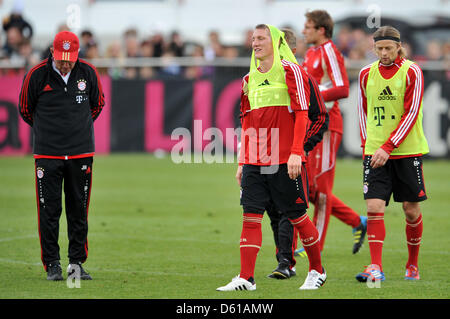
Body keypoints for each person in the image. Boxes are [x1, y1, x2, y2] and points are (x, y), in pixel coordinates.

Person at [216, 24, 326, 291]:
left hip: (284, 160)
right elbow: (247, 122)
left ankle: (317, 271)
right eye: (253, 38)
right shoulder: (248, 79)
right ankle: (246, 277)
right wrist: (242, 161)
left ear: (276, 42)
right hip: (255, 161)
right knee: (250, 217)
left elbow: (302, 114)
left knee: (298, 216)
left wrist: (296, 153)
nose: (255, 43)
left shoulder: (291, 71)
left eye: (261, 38)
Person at [18, 31, 105, 281]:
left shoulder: (88, 72)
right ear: (52, 53)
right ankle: (52, 264)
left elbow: (97, 104)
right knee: (49, 210)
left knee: (78, 210)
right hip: (48, 155)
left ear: (77, 55)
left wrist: (77, 129)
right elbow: (25, 109)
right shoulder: (36, 75)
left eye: (70, 58)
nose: (65, 63)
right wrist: (50, 132)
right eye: (61, 58)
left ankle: (76, 263)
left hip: (81, 153)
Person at [355, 26, 428, 282]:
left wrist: (389, 146)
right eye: (379, 48)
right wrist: (369, 146)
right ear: (373, 48)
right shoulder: (366, 74)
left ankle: (412, 264)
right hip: (375, 153)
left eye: (388, 48)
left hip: (406, 152)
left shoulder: (412, 71)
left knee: (410, 210)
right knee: (374, 207)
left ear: (398, 47)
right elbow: (363, 111)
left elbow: (411, 113)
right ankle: (375, 266)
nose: (383, 53)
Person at [295, 10, 367, 258]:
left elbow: (343, 88)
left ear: (321, 30)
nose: (303, 30)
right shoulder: (312, 53)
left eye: (308, 26)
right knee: (308, 189)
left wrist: (312, 100)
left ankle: (315, 247)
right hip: (313, 125)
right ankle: (357, 221)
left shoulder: (329, 51)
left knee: (320, 190)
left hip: (328, 125)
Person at [266, 28, 329, 280]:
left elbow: (319, 117)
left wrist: (299, 147)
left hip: (290, 156)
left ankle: (289, 263)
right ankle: (285, 260)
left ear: (290, 50)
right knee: (273, 209)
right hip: (266, 154)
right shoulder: (265, 79)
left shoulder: (303, 77)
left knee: (291, 209)